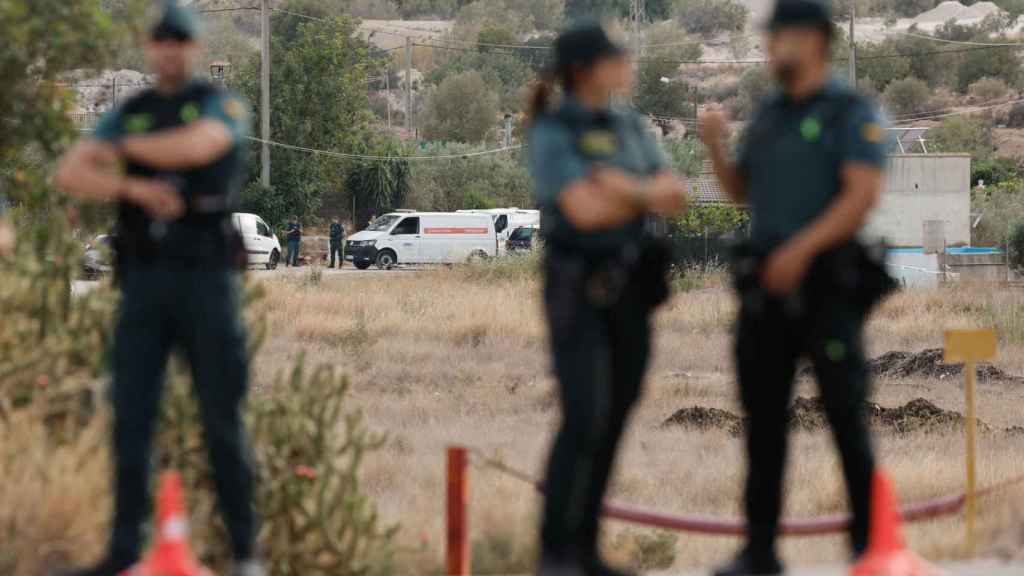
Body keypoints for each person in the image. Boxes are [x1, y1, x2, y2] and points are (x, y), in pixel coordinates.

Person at [53, 3, 262, 575]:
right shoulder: (132, 110)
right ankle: (124, 553)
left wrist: (120, 151)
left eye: (181, 40)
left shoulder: (220, 103)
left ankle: (245, 555)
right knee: (131, 416)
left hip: (206, 280)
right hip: (144, 280)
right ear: (151, 47)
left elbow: (199, 147)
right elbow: (71, 171)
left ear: (194, 48)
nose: (170, 49)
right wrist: (138, 191)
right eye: (161, 40)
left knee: (222, 418)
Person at [700, 1, 891, 574]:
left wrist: (801, 250)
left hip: (827, 286)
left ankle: (869, 549)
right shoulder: (769, 115)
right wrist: (714, 145)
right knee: (762, 422)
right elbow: (741, 192)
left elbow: (860, 197)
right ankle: (760, 552)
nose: (773, 46)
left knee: (845, 416)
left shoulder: (849, 111)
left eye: (782, 35)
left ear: (815, 41)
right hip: (767, 291)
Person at [527, 22, 688, 576]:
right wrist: (637, 194)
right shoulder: (553, 130)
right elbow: (583, 211)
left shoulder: (628, 123)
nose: (628, 61)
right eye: (615, 55)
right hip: (578, 286)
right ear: (584, 70)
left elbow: (677, 195)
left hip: (632, 288)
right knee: (584, 415)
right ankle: (555, 552)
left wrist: (620, 188)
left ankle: (586, 550)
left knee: (616, 415)